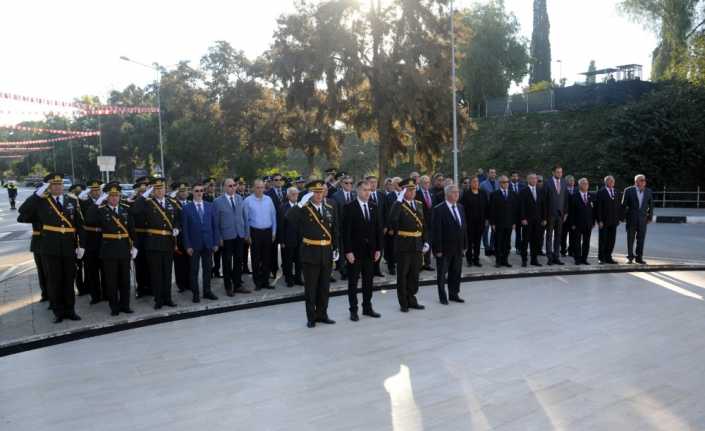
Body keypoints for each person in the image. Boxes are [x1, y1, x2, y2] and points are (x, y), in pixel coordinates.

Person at [21, 173, 85, 323]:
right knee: (54, 280)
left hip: (69, 247)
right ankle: (58, 312)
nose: (57, 187)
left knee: (69, 279)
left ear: (63, 186)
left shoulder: (72, 200)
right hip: (50, 248)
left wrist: (81, 245)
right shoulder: (42, 201)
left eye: (60, 184)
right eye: (54, 184)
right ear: (49, 187)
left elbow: (79, 225)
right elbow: (23, 212)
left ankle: (70, 310)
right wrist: (36, 195)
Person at [292, 180, 339, 328]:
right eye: (316, 192)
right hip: (310, 252)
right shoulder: (304, 208)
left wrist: (336, 248)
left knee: (324, 287)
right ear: (310, 193)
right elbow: (288, 218)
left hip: (326, 252)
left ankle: (322, 314)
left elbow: (335, 229)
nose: (319, 195)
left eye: (321, 192)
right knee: (311, 288)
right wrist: (300, 204)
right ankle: (311, 317)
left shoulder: (329, 207)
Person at [129, 177, 180, 310]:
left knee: (167, 273)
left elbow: (179, 217)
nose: (159, 191)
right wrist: (145, 193)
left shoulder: (171, 202)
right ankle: (158, 300)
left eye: (161, 188)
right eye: (156, 189)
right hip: (153, 243)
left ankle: (168, 298)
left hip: (168, 243)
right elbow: (134, 210)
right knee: (156, 273)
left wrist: (177, 227)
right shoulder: (147, 203)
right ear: (153, 190)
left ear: (165, 189)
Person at [88, 182, 136, 315]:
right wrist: (99, 201)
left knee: (125, 280)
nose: (114, 198)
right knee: (111, 281)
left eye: (117, 196)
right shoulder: (101, 210)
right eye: (111, 196)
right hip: (109, 251)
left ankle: (125, 305)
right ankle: (114, 307)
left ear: (120, 196)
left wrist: (134, 246)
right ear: (107, 197)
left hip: (124, 249)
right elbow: (89, 218)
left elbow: (132, 229)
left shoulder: (126, 209)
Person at [343, 180, 383, 321]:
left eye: (369, 190)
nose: (368, 192)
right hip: (355, 252)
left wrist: (378, 248)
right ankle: (353, 310)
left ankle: (367, 307)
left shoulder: (374, 206)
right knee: (353, 282)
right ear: (358, 191)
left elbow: (378, 229)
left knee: (368, 281)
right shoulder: (349, 207)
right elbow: (346, 232)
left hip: (370, 252)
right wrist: (348, 251)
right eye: (365, 190)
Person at [388, 178, 428, 312]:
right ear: (403, 191)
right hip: (404, 245)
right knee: (403, 275)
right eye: (409, 189)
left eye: (414, 189)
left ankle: (412, 299)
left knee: (414, 275)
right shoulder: (398, 205)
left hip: (417, 244)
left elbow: (423, 225)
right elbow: (392, 220)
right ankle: (403, 302)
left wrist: (426, 240)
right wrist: (398, 201)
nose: (412, 192)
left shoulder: (418, 204)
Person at [182, 183, 220, 302]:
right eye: (197, 191)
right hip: (194, 245)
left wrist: (215, 243)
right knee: (194, 271)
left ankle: (207, 291)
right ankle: (196, 293)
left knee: (208, 269)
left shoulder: (210, 206)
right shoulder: (186, 208)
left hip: (208, 244)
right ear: (192, 192)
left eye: (201, 191)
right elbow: (185, 229)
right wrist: (187, 246)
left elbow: (215, 226)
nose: (199, 193)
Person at [214, 178, 251, 296]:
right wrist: (219, 237)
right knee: (227, 262)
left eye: (234, 185)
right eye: (230, 186)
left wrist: (247, 233)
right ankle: (228, 286)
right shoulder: (217, 201)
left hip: (239, 235)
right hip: (226, 237)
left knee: (239, 261)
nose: (233, 187)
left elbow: (245, 218)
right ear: (224, 187)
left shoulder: (240, 198)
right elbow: (216, 222)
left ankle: (238, 285)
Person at [432, 184, 467, 305]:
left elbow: (463, 228)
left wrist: (464, 246)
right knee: (442, 274)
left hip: (458, 248)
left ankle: (454, 294)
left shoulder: (461, 207)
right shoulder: (439, 209)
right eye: (454, 192)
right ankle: (442, 296)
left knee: (456, 272)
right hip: (444, 248)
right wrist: (438, 249)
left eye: (457, 192)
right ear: (447, 194)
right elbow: (436, 231)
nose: (457, 194)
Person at [17, 184, 50, 305]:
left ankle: (53, 294)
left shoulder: (52, 204)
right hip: (38, 241)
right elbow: (21, 217)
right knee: (41, 270)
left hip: (52, 240)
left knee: (51, 271)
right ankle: (45, 293)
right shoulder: (34, 205)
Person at [244, 179, 277, 290]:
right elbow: (246, 219)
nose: (259, 190)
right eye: (257, 187)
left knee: (267, 258)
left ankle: (265, 281)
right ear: (253, 188)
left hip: (267, 232)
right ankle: (257, 282)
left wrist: (273, 232)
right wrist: (247, 235)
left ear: (264, 188)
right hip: (255, 232)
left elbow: (273, 217)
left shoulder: (269, 199)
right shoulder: (247, 201)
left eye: (262, 187)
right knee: (256, 259)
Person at [80, 180, 105, 304]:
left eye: (98, 190)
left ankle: (107, 293)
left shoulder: (106, 201)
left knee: (106, 269)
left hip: (104, 239)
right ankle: (95, 295)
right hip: (90, 240)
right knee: (92, 270)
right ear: (90, 191)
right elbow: (87, 217)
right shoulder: (84, 202)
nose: (96, 192)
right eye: (93, 190)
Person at [622, 174, 653, 264]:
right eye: (641, 180)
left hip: (643, 219)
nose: (644, 181)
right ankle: (630, 257)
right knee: (630, 239)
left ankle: (639, 257)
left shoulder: (648, 191)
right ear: (636, 182)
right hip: (631, 218)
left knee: (641, 239)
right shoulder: (628, 191)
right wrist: (623, 217)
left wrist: (650, 217)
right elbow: (623, 205)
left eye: (644, 180)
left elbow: (651, 205)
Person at [489, 176, 519, 268]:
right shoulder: (494, 194)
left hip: (509, 223)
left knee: (507, 243)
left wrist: (514, 222)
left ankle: (505, 260)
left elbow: (515, 209)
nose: (505, 183)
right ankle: (498, 261)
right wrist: (492, 223)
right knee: (498, 243)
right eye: (503, 182)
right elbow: (491, 209)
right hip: (498, 223)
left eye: (507, 182)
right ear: (500, 183)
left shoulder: (513, 194)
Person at [129, 176, 152, 298]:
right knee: (139, 263)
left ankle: (151, 286)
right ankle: (141, 287)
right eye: (142, 187)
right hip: (138, 235)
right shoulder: (133, 200)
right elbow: (134, 212)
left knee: (151, 262)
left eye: (147, 186)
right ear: (137, 189)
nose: (144, 189)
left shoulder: (153, 199)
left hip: (151, 236)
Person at [543, 165, 568, 265]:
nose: (560, 174)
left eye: (561, 172)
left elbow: (566, 199)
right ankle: (550, 257)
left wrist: (566, 212)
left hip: (560, 214)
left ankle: (556, 257)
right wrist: (544, 216)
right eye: (558, 172)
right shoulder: (547, 183)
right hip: (550, 215)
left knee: (558, 236)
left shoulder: (563, 182)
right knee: (549, 236)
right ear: (553, 172)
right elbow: (544, 201)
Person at [332, 174, 355, 280]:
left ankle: (352, 269)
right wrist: (336, 230)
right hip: (341, 228)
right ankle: (343, 271)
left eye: (351, 183)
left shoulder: (355, 194)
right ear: (341, 184)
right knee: (342, 250)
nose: (349, 185)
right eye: (346, 183)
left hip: (354, 228)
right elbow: (335, 215)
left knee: (353, 249)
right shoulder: (336, 196)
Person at [518, 173, 545, 267]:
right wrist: (523, 218)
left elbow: (543, 206)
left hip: (538, 221)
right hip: (527, 220)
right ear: (528, 180)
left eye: (535, 179)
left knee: (536, 241)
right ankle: (524, 260)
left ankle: (534, 259)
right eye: (532, 179)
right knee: (525, 241)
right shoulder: (523, 191)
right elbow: (521, 206)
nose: (534, 180)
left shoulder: (540, 190)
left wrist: (544, 218)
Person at [461, 176, 487, 267]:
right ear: (470, 183)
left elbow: (486, 207)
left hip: (480, 222)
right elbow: (463, 209)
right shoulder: (466, 194)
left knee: (477, 242)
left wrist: (487, 219)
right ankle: (469, 260)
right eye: (474, 182)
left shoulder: (483, 193)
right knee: (469, 241)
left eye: (477, 181)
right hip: (469, 222)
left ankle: (476, 259)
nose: (475, 183)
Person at [568, 178, 595, 265]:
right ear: (579, 185)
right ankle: (577, 259)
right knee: (577, 242)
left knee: (586, 242)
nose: (585, 185)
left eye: (586, 183)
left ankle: (584, 258)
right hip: (577, 224)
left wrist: (593, 222)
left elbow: (594, 211)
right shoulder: (574, 196)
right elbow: (571, 211)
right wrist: (572, 223)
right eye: (583, 183)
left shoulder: (591, 195)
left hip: (588, 224)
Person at [595, 175, 621, 264]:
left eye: (613, 181)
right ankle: (601, 258)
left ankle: (608, 257)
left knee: (611, 240)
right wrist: (599, 220)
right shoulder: (601, 192)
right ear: (606, 182)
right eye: (610, 181)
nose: (612, 183)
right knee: (603, 240)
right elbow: (598, 207)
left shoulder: (616, 191)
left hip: (614, 221)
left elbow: (619, 206)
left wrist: (619, 219)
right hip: (604, 221)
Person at [171, 182, 191, 293]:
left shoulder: (190, 203)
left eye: (185, 190)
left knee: (190, 262)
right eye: (181, 191)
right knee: (179, 263)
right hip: (178, 238)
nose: (184, 193)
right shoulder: (173, 204)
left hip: (190, 238)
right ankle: (181, 285)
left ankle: (190, 283)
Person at [266, 173, 286, 279]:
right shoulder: (267, 193)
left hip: (285, 226)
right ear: (272, 181)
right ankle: (273, 270)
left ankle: (286, 269)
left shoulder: (286, 192)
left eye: (280, 179)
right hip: (273, 225)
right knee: (272, 250)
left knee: (285, 249)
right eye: (276, 180)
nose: (278, 181)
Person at [366, 175, 386, 277]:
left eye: (375, 182)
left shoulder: (381, 195)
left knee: (380, 248)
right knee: (370, 249)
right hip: (369, 228)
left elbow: (386, 211)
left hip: (380, 227)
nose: (373, 184)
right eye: (371, 182)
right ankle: (370, 270)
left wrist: (386, 226)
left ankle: (377, 269)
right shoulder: (364, 195)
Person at [416, 175, 435, 271]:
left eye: (428, 182)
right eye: (425, 182)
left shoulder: (431, 193)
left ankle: (427, 263)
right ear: (421, 183)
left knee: (429, 243)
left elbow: (434, 208)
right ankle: (419, 264)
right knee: (421, 243)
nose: (427, 184)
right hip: (421, 223)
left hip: (431, 223)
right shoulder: (417, 194)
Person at [384, 177, 402, 275]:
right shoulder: (389, 196)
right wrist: (389, 227)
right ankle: (391, 267)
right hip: (393, 227)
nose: (400, 185)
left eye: (401, 183)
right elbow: (387, 213)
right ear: (394, 184)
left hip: (403, 227)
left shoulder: (404, 195)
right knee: (391, 248)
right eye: (398, 183)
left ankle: (400, 266)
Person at [480, 168, 498, 256]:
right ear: (488, 174)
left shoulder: (498, 183)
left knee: (495, 230)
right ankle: (487, 248)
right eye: (491, 172)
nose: (493, 174)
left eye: (494, 172)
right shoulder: (483, 184)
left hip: (496, 210)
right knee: (485, 231)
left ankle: (492, 247)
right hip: (486, 210)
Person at [561, 175, 577, 257]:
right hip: (565, 217)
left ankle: (572, 251)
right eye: (570, 180)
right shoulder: (562, 190)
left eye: (573, 180)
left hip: (574, 217)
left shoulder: (577, 190)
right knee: (563, 235)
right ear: (566, 182)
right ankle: (563, 250)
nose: (572, 182)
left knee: (573, 235)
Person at [509, 172, 524, 255]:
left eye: (516, 176)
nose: (515, 177)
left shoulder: (522, 186)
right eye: (513, 176)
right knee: (508, 231)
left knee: (519, 232)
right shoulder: (508, 186)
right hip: (510, 212)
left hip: (519, 213)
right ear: (511, 177)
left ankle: (518, 248)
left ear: (518, 177)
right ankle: (507, 248)